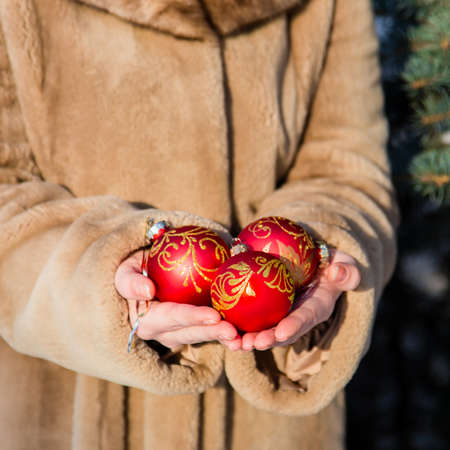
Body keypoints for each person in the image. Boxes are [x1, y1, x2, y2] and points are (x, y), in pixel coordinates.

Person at [0, 0, 398, 449]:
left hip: (264, 419)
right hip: (66, 407)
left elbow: (345, 167)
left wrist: (323, 250)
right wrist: (95, 279)